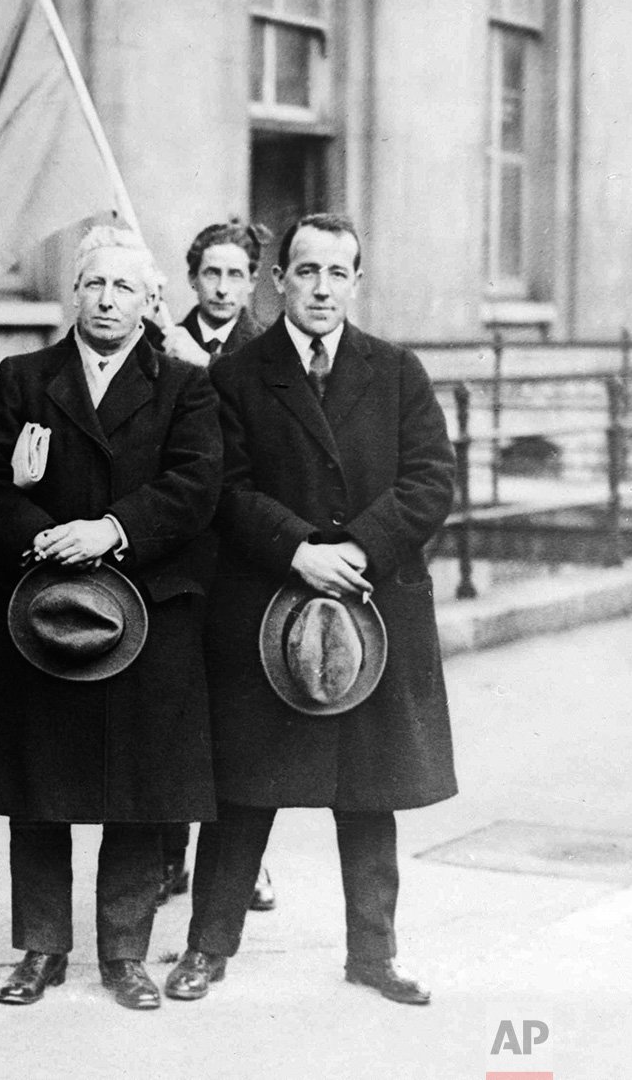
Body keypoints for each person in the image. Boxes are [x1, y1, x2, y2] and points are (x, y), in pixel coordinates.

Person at [165, 213, 456, 1006]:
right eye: (306, 271)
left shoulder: (397, 372)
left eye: (338, 272)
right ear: (278, 280)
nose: (322, 287)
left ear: (356, 281)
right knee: (243, 790)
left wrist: (359, 548)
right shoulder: (234, 377)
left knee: (370, 791)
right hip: (266, 605)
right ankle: (207, 947)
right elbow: (222, 488)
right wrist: (299, 550)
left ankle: (375, 953)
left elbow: (431, 480)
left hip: (373, 608)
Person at [0, 226, 221, 1010]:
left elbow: (196, 486)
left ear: (149, 302)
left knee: (137, 787)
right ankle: (41, 949)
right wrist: (38, 534)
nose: (107, 300)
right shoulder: (23, 377)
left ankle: (126, 953)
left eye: (125, 288)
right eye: (95, 284)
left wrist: (111, 530)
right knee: (39, 785)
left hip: (144, 612)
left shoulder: (182, 386)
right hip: (43, 608)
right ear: (75, 291)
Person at [152, 220, 275, 911]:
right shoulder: (159, 341)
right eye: (210, 275)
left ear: (252, 281)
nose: (223, 288)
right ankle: (167, 854)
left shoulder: (267, 353)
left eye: (236, 276)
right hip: (176, 554)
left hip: (243, 556)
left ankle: (240, 863)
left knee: (238, 715)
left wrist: (207, 371)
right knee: (171, 707)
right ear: (192, 278)